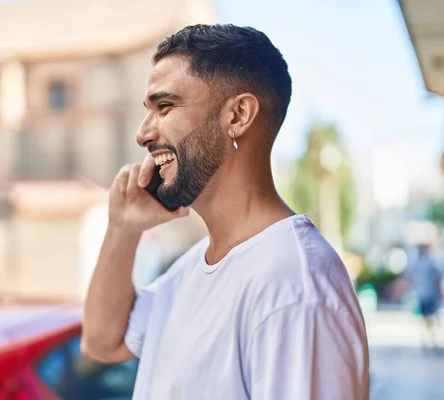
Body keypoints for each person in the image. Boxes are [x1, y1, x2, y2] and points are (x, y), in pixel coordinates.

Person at [82, 24, 369, 400]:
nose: (143, 133)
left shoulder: (293, 285)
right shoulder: (191, 269)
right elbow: (103, 342)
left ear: (237, 115)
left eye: (164, 106)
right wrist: (122, 228)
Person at [405, 242, 443, 349]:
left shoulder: (416, 264)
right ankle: (432, 338)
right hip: (430, 294)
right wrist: (440, 293)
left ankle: (428, 338)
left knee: (426, 318)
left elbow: (409, 279)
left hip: (421, 295)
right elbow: (438, 279)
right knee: (432, 318)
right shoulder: (430, 262)